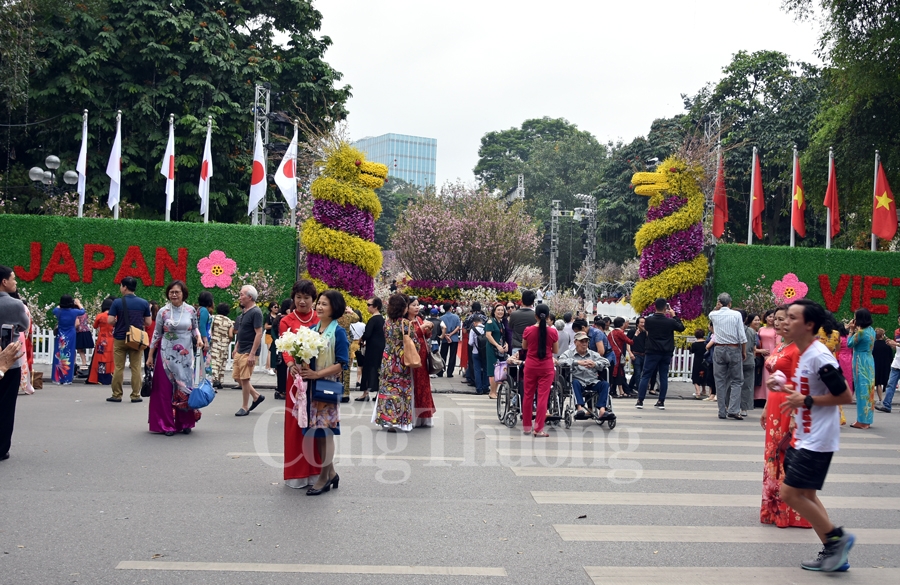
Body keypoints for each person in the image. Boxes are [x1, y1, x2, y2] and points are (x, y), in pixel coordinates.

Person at [778, 299, 855, 572]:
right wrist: (784, 387)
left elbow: (846, 395)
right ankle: (835, 555)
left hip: (818, 438)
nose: (784, 322)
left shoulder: (819, 356)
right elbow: (804, 392)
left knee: (789, 493)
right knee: (807, 495)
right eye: (784, 316)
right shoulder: (803, 351)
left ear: (809, 325)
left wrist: (807, 401)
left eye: (792, 318)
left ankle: (837, 539)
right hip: (805, 434)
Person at [760, 305, 812, 529]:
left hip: (789, 406)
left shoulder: (798, 349)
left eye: (784, 319)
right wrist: (764, 407)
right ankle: (772, 507)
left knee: (784, 456)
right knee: (773, 455)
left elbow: (803, 383)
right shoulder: (781, 345)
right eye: (777, 319)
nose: (779, 323)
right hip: (773, 404)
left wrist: (794, 415)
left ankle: (789, 511)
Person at [298, 289, 348, 496]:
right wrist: (298, 365)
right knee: (317, 432)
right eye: (319, 302)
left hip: (327, 386)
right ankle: (332, 473)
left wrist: (317, 374)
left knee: (326, 432)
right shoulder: (311, 329)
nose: (319, 306)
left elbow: (341, 364)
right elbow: (303, 355)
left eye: (324, 304)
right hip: (310, 387)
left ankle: (323, 477)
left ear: (334, 308)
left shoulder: (338, 332)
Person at [280, 280, 323, 489]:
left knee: (316, 424)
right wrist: (290, 364)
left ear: (313, 299)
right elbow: (285, 347)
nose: (302, 301)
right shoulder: (286, 320)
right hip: (296, 378)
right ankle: (296, 473)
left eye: (307, 297)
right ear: (293, 298)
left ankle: (316, 472)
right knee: (295, 424)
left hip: (315, 375)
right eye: (299, 297)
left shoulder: (320, 319)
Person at [147, 280, 204, 436]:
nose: (174, 294)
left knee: (184, 388)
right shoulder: (163, 312)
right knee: (165, 390)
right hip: (166, 354)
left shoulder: (191, 310)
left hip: (185, 356)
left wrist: (199, 339)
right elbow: (157, 334)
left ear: (183, 293)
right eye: (171, 292)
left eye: (177, 292)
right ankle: (166, 424)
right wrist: (151, 355)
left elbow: (195, 329)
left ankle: (185, 422)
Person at [373, 293, 416, 432]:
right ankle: (400, 421)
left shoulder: (387, 323)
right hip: (401, 361)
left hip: (387, 360)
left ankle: (386, 420)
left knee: (387, 390)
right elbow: (415, 344)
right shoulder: (406, 324)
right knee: (401, 391)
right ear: (403, 308)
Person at [0, 265, 29, 461]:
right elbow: (24, 326)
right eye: (13, 278)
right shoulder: (14, 304)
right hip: (9, 361)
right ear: (4, 282)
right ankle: (2, 448)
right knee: (6, 406)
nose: (15, 282)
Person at [107, 277, 152, 403]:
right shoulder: (143, 303)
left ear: (125, 287)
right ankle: (135, 395)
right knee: (136, 367)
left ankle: (117, 395)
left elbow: (110, 320)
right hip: (136, 340)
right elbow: (148, 322)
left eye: (121, 286)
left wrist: (117, 322)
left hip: (120, 338)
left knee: (119, 367)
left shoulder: (117, 302)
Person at [636, 298, 684, 410]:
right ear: (665, 308)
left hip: (652, 351)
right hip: (666, 352)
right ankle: (661, 401)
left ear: (655, 307)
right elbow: (681, 328)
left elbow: (646, 329)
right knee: (663, 376)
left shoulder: (649, 320)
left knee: (646, 375)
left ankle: (640, 400)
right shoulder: (670, 322)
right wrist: (674, 315)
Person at [521, 303, 559, 437]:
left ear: (535, 316)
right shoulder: (553, 331)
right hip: (546, 367)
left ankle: (526, 427)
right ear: (548, 316)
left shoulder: (528, 330)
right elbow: (555, 350)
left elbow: (524, 347)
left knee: (528, 395)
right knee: (543, 397)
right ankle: (538, 428)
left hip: (531, 365)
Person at [708, 292, 747, 420]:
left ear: (719, 302)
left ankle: (721, 411)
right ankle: (733, 409)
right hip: (733, 347)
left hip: (719, 348)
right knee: (737, 380)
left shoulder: (713, 315)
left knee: (719, 380)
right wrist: (744, 351)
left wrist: (717, 306)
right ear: (730, 303)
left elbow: (712, 312)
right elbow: (742, 336)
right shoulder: (736, 315)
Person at [558, 332, 611, 419]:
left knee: (605, 384)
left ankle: (602, 410)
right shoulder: (569, 353)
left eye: (586, 341)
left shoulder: (593, 354)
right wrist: (577, 362)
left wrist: (595, 364)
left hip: (592, 381)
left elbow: (606, 362)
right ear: (575, 342)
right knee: (574, 383)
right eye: (582, 341)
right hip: (578, 382)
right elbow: (560, 361)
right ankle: (579, 409)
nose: (584, 343)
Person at [232, 284, 265, 416]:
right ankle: (256, 396)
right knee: (237, 377)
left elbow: (258, 333)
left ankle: (245, 406)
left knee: (245, 379)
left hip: (249, 350)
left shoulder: (256, 312)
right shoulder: (245, 312)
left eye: (242, 294)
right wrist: (236, 346)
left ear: (250, 297)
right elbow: (242, 332)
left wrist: (252, 354)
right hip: (241, 349)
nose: (240, 297)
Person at [407, 297, 435, 426]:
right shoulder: (405, 321)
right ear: (407, 307)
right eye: (414, 305)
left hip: (422, 356)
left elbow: (425, 335)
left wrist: (429, 329)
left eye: (418, 305)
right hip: (412, 356)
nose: (417, 307)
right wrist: (423, 326)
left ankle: (423, 417)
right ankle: (413, 417)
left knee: (423, 385)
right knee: (414, 384)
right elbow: (411, 335)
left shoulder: (418, 319)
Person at [846, 308, 875, 429]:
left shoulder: (861, 333)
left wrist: (851, 330)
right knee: (869, 390)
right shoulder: (871, 330)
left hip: (860, 361)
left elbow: (849, 344)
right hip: (869, 359)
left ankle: (862, 421)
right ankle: (867, 419)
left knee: (861, 390)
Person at [51, 295, 85, 385]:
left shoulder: (58, 311)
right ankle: (67, 379)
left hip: (60, 335)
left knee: (59, 354)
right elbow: (83, 311)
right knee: (69, 355)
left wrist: (60, 305)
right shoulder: (74, 312)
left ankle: (57, 378)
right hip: (71, 334)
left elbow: (54, 310)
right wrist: (78, 303)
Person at [357, 297, 385, 402]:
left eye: (369, 305)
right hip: (381, 348)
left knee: (368, 369)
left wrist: (362, 339)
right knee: (378, 370)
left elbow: (367, 334)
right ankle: (378, 393)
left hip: (372, 348)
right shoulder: (382, 319)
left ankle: (365, 393)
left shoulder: (373, 319)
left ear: (376, 306)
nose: (367, 307)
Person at [87, 297, 116, 385]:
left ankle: (101, 377)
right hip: (112, 339)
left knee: (101, 359)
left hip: (102, 340)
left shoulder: (100, 316)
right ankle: (111, 375)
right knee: (111, 358)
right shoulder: (115, 316)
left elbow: (95, 326)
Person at [484, 303, 509, 400]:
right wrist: (497, 345)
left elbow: (502, 336)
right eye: (498, 310)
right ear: (494, 311)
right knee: (493, 370)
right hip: (492, 349)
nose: (500, 312)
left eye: (502, 310)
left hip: (500, 349)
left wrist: (505, 344)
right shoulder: (490, 322)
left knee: (499, 370)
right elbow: (488, 335)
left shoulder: (501, 322)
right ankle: (492, 392)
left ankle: (494, 391)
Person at [208, 303, 234, 390]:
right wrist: (228, 341)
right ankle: (220, 380)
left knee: (214, 360)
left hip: (215, 341)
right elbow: (230, 335)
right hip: (224, 343)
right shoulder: (229, 321)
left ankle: (214, 379)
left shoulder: (214, 318)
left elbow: (210, 330)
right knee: (222, 361)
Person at [741, 312, 762, 417]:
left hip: (736, 360)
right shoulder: (752, 332)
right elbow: (754, 349)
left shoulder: (734, 330)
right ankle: (744, 408)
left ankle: (730, 406)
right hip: (749, 359)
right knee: (747, 385)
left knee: (732, 383)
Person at [271, 298, 292, 400]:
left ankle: (282, 389)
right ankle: (282, 390)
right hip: (283, 346)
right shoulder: (282, 318)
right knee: (282, 369)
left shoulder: (279, 317)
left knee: (282, 369)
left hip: (281, 346)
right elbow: (275, 332)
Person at [608, 317, 633, 398]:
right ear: (622, 324)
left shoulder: (611, 333)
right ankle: (618, 391)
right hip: (618, 355)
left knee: (614, 372)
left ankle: (614, 390)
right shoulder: (620, 333)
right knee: (618, 373)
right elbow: (630, 342)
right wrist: (635, 336)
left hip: (611, 355)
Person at [755, 309, 777, 402]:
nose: (771, 319)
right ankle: (759, 397)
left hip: (771, 354)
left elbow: (778, 344)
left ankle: (769, 398)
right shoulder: (761, 329)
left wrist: (773, 356)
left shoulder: (776, 329)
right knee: (761, 376)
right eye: (770, 316)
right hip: (761, 354)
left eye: (773, 317)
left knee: (768, 375)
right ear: (766, 317)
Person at [469, 314, 489, 395]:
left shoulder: (473, 330)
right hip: (485, 352)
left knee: (477, 370)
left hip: (475, 352)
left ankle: (479, 389)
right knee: (486, 370)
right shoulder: (486, 329)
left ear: (474, 323)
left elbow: (470, 343)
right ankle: (485, 387)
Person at [627, 316, 646, 397]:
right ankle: (639, 390)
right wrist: (630, 353)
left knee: (638, 372)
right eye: (641, 322)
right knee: (638, 373)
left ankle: (630, 387)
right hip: (636, 354)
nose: (643, 324)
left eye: (644, 322)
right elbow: (628, 342)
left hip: (644, 355)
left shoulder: (646, 332)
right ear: (637, 323)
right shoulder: (632, 331)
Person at [872, 328, 892, 408]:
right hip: (885, 365)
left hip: (876, 365)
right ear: (882, 335)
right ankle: (886, 398)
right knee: (887, 382)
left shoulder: (873, 345)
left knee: (878, 383)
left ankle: (881, 399)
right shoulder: (887, 345)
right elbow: (891, 357)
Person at [74, 306, 94, 375]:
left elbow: (77, 324)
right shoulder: (84, 314)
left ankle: (74, 364)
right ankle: (84, 363)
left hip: (79, 332)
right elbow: (87, 321)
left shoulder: (76, 314)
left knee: (76, 348)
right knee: (81, 349)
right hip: (86, 331)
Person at [690, 328, 708, 399]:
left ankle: (697, 392)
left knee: (696, 376)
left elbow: (692, 351)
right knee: (704, 375)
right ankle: (704, 390)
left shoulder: (695, 344)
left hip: (697, 362)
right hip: (705, 362)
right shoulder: (706, 343)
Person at [197, 291, 214, 356]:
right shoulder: (204, 310)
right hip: (204, 338)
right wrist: (206, 341)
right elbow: (202, 326)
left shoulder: (199, 309)